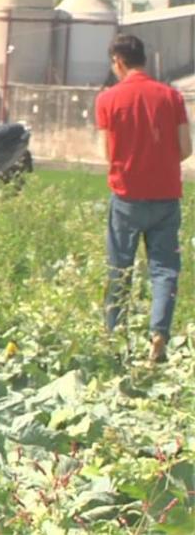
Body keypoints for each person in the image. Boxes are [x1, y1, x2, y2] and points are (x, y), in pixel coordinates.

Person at [96, 34, 192, 363]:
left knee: (119, 269)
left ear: (119, 61)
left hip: (126, 196)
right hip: (166, 197)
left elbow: (108, 153)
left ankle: (113, 339)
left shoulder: (108, 99)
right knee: (164, 269)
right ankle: (159, 335)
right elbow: (186, 149)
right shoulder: (172, 96)